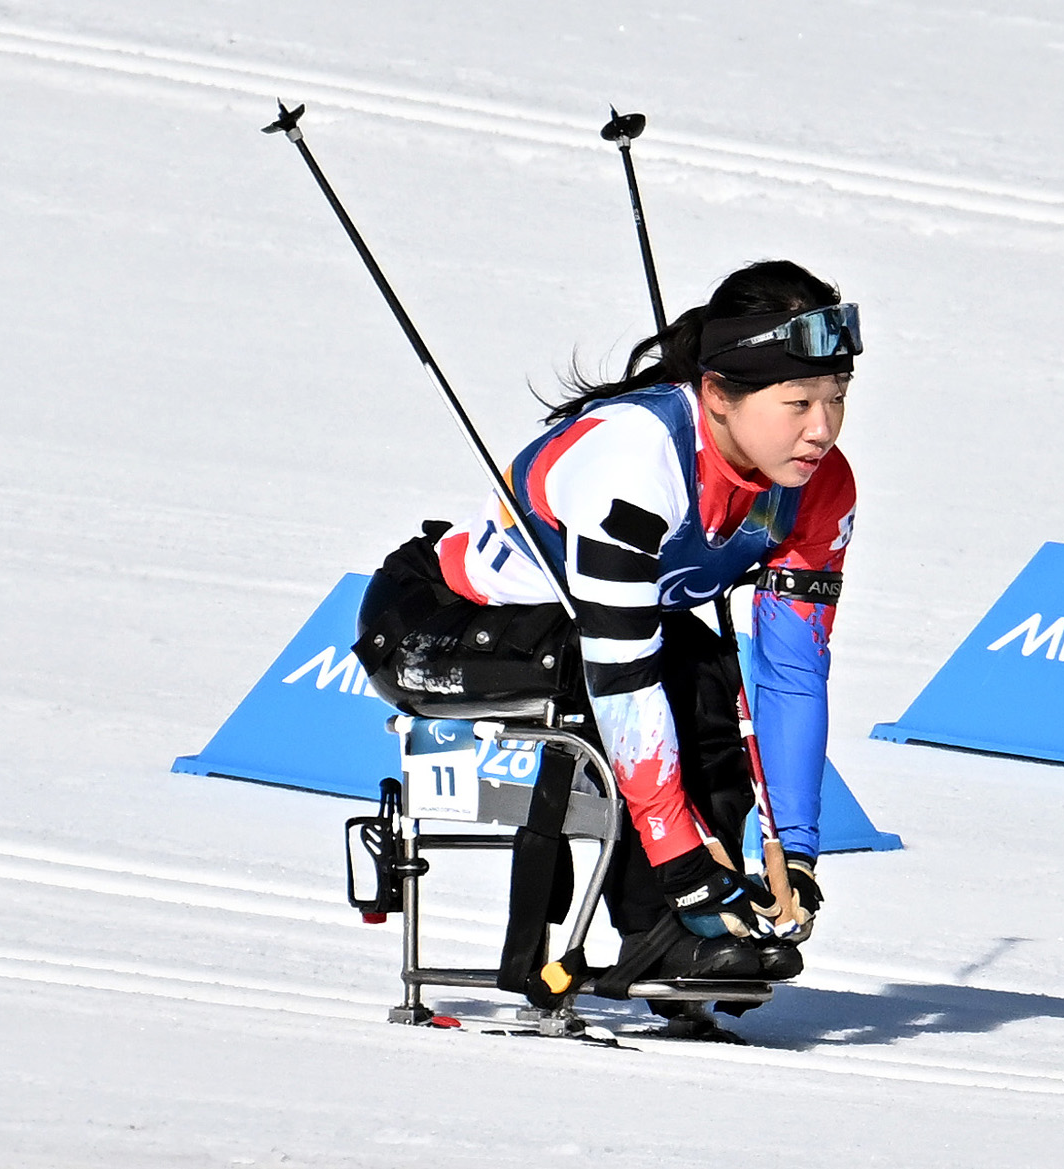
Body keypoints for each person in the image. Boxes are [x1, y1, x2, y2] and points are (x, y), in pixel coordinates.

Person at [352, 259, 858, 1015]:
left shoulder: (820, 487)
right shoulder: (636, 458)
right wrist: (681, 859)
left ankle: (702, 926)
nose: (822, 428)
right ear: (718, 395)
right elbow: (620, 674)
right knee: (662, 670)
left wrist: (799, 848)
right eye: (798, 403)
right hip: (433, 624)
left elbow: (791, 674)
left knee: (711, 666)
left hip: (584, 637)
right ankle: (671, 921)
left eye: (837, 399)